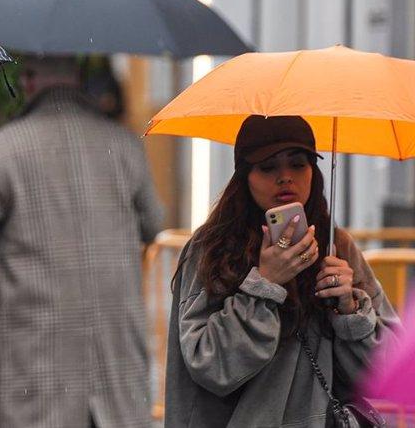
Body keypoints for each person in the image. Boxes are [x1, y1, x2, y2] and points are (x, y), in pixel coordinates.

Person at [0, 55, 164, 428]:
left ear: (28, 82)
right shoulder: (124, 146)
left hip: (31, 375)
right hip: (115, 379)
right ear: (78, 77)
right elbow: (153, 224)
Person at [165, 115, 398, 426]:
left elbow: (390, 373)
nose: (285, 177)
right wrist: (265, 283)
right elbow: (210, 365)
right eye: (268, 166)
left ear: (314, 172)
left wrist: (350, 310)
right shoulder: (212, 249)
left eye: (298, 164)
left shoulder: (336, 247)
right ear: (245, 176)